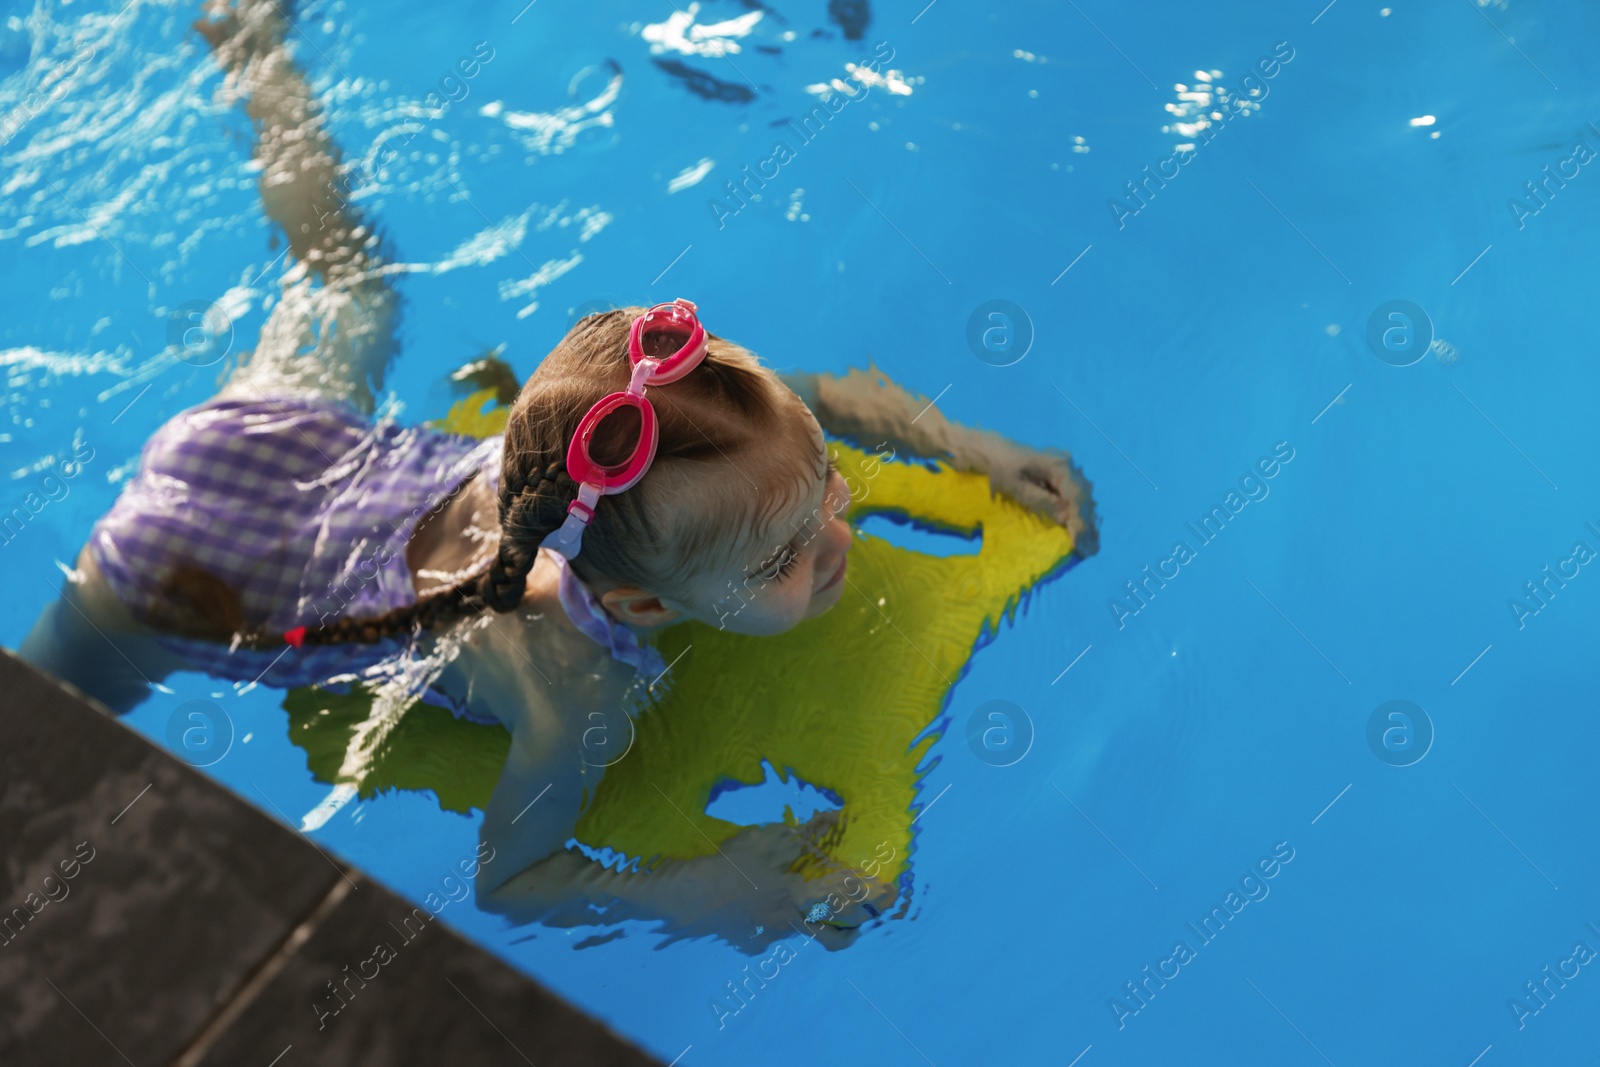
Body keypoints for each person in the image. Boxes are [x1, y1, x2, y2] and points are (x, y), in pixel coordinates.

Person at [21, 0, 1094, 925]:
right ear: (634, 604)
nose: (836, 538)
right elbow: (514, 879)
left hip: (262, 435)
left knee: (347, 283)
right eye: (779, 560)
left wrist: (974, 450)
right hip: (171, 577)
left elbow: (822, 398)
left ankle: (249, 43)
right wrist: (698, 889)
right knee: (34, 739)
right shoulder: (576, 696)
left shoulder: (613, 447)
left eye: (822, 490)